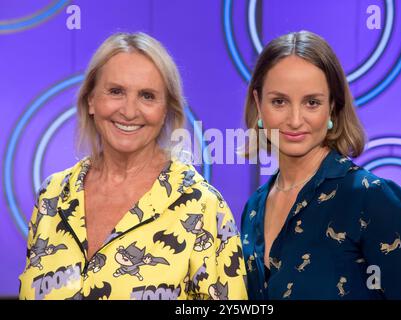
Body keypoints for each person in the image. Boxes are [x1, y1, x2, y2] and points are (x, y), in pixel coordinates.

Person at [19, 32, 247, 300]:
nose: (129, 111)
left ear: (166, 111)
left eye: (147, 96)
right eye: (116, 91)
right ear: (91, 100)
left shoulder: (204, 206)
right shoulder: (52, 196)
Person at [240, 30, 401, 300]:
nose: (295, 119)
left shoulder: (372, 198)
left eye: (312, 103)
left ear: (333, 108)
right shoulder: (254, 208)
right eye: (279, 101)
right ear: (258, 103)